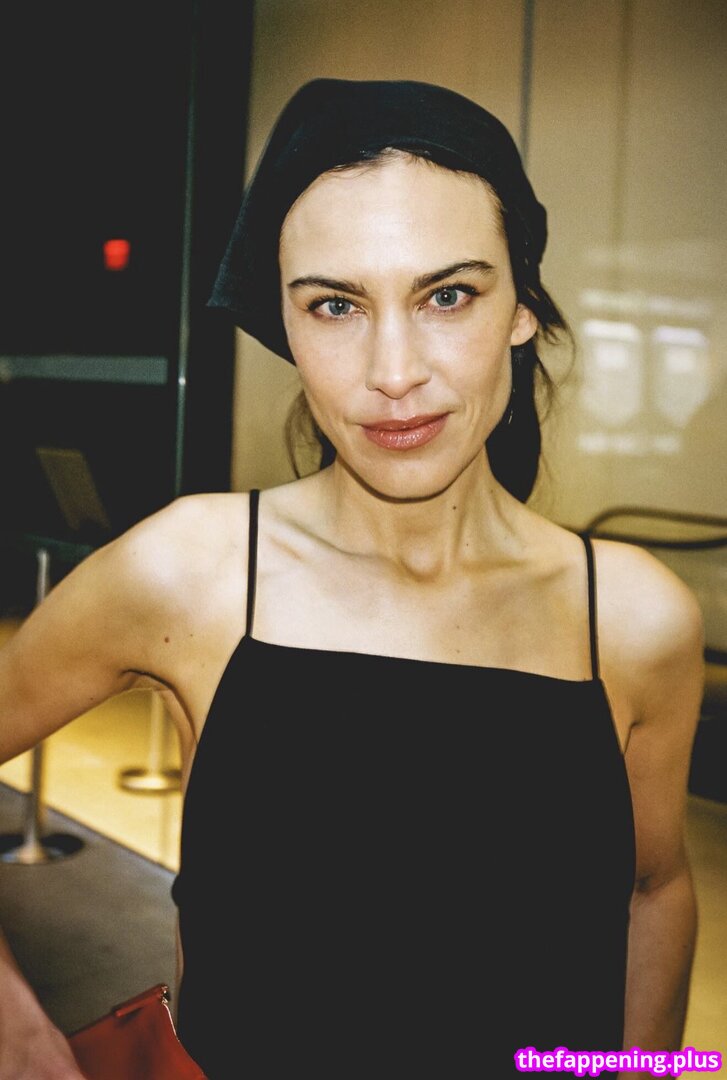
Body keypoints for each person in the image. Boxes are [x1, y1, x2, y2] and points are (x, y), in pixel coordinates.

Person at [0, 78, 704, 1079]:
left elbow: (654, 888)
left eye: (446, 296)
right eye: (335, 305)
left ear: (521, 306)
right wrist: (17, 1031)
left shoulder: (631, 618)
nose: (393, 371)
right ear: (285, 327)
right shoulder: (194, 572)